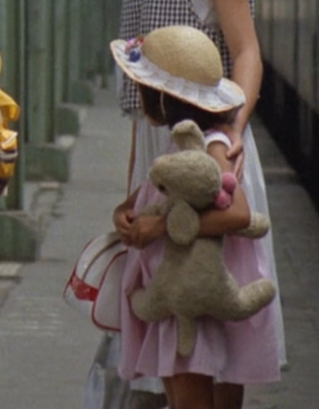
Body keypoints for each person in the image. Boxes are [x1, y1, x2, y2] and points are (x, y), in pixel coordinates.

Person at [107, 0, 285, 409]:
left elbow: (247, 50)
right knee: (194, 342)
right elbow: (145, 99)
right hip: (163, 152)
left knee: (207, 341)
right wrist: (134, 193)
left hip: (209, 153)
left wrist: (231, 132)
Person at [109, 26, 278, 409]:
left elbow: (238, 213)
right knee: (180, 394)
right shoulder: (179, 146)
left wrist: (160, 227)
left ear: (164, 97)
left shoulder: (214, 146)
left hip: (193, 295)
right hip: (174, 292)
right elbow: (150, 195)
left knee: (190, 398)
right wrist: (125, 213)